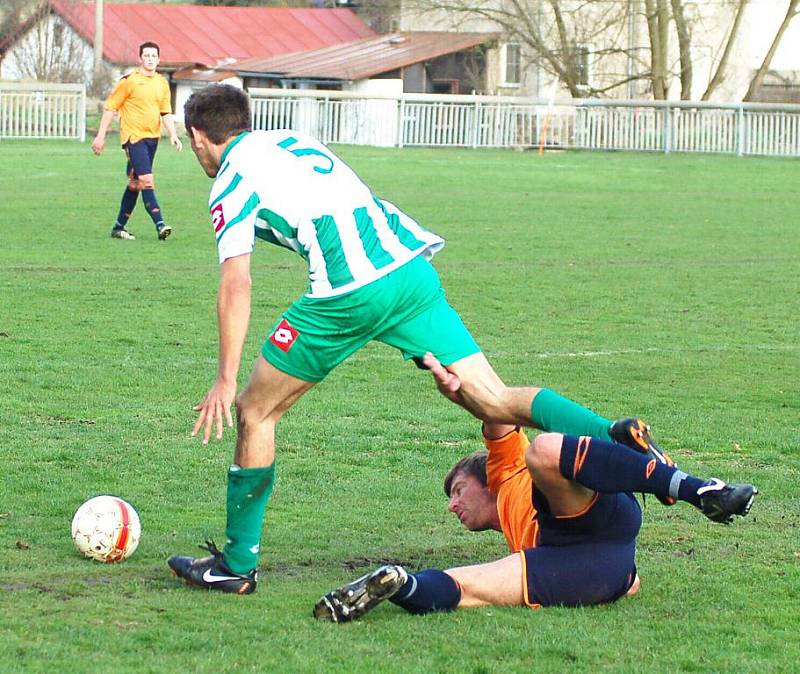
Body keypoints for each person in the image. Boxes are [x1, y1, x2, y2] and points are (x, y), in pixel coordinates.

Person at [167, 83, 681, 594]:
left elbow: (237, 281)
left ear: (197, 137)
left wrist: (224, 378)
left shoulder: (230, 180)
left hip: (346, 293)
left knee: (256, 412)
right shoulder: (290, 140)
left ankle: (236, 565)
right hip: (409, 272)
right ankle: (620, 438)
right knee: (496, 403)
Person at [314, 397, 758, 621]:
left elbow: (499, 411)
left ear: (484, 473)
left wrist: (464, 387)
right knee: (466, 586)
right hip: (589, 563)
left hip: (586, 510)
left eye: (457, 490)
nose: (452, 506)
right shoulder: (513, 538)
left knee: (544, 451)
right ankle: (397, 583)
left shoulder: (505, 467)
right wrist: (623, 579)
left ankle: (692, 488)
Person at [91, 41, 181, 241]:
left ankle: (118, 227)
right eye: (146, 55)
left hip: (152, 139)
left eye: (153, 56)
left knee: (135, 183)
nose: (150, 59)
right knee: (147, 180)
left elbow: (165, 111)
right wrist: (100, 136)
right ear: (140, 58)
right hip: (133, 138)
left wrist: (173, 134)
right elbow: (111, 108)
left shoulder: (161, 83)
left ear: (158, 59)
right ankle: (160, 224)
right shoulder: (129, 81)